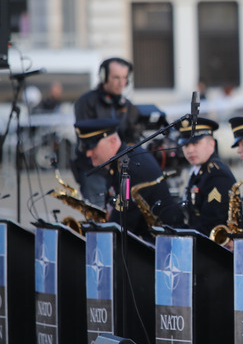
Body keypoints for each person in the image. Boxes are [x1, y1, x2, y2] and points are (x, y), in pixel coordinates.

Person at [74, 118, 181, 242]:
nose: (88, 153)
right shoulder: (123, 160)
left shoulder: (130, 168)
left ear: (112, 141)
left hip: (161, 246)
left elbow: (120, 227)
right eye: (85, 148)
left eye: (92, 147)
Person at [72, 57, 143, 207]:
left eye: (124, 78)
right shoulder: (86, 102)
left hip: (119, 172)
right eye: (116, 77)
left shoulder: (127, 106)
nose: (121, 83)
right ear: (104, 77)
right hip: (93, 169)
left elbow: (133, 136)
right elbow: (85, 140)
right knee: (99, 213)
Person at [176, 116, 236, 237]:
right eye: (186, 145)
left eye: (195, 143)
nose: (190, 150)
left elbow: (212, 222)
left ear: (211, 144)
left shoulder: (217, 174)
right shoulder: (197, 171)